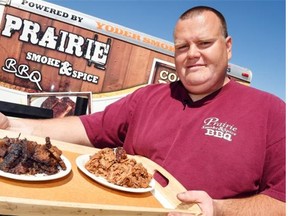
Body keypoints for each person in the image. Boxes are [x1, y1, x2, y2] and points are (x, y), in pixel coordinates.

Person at [0, 6, 285, 216]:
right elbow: (87, 129)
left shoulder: (271, 111)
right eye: (182, 46)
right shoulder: (148, 97)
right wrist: (11, 125)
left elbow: (281, 202)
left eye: (205, 43)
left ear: (228, 47)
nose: (192, 54)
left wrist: (218, 209)